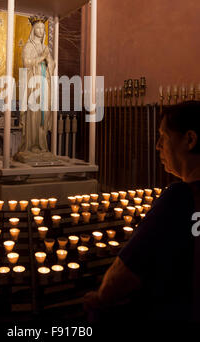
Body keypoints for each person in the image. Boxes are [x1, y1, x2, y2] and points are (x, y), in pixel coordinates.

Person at [83, 100, 200, 323]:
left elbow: (120, 279)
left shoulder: (178, 199)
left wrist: (100, 298)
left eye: (163, 137)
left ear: (190, 139)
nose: (157, 146)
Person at [15, 16, 55, 159]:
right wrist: (41, 58)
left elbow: (52, 65)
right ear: (33, 30)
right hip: (34, 84)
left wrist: (49, 60)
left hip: (45, 82)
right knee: (34, 114)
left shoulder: (45, 47)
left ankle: (42, 145)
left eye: (42, 28)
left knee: (44, 114)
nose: (40, 30)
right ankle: (31, 145)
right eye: (37, 28)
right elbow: (26, 64)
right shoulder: (28, 46)